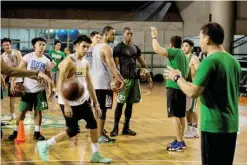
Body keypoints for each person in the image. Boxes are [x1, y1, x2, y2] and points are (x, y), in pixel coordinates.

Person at [164, 22, 241, 165]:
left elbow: (193, 92)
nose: (199, 41)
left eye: (200, 37)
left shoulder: (209, 62)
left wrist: (176, 77)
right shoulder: (233, 61)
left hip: (213, 125)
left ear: (207, 39)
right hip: (231, 125)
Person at [37, 35, 112, 163]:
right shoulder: (68, 62)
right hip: (68, 102)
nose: (86, 49)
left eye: (88, 47)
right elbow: (59, 83)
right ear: (76, 46)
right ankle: (45, 145)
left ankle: (95, 154)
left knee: (93, 125)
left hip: (82, 100)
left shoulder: (85, 63)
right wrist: (66, 104)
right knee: (73, 131)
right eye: (83, 46)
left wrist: (97, 103)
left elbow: (89, 84)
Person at [150, 27, 188, 151]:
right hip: (182, 87)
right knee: (181, 115)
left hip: (174, 88)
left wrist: (154, 36)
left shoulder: (174, 52)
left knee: (173, 115)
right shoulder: (183, 54)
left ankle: (180, 142)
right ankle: (180, 139)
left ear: (171, 44)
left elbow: (156, 49)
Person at [110, 27, 153, 137]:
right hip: (124, 79)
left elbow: (142, 63)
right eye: (128, 33)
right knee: (120, 104)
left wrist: (149, 78)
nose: (130, 35)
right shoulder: (118, 48)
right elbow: (115, 65)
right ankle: (115, 128)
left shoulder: (135, 48)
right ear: (123, 34)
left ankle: (126, 127)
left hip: (134, 79)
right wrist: (116, 79)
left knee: (130, 105)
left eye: (131, 34)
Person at [8, 37, 53, 141]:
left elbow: (48, 76)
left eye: (43, 45)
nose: (42, 46)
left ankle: (37, 133)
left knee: (39, 112)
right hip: (28, 89)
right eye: (40, 44)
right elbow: (18, 70)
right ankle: (16, 131)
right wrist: (13, 82)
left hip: (40, 90)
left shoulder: (46, 61)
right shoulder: (28, 56)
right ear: (34, 46)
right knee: (22, 112)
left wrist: (51, 89)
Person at [91, 26, 125, 143]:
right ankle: (100, 135)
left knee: (98, 108)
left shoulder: (95, 47)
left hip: (96, 82)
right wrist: (121, 80)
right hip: (103, 83)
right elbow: (112, 66)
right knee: (103, 110)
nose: (114, 37)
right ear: (105, 34)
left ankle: (97, 132)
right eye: (112, 34)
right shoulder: (106, 48)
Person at [181, 39, 200, 138]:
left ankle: (196, 130)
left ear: (191, 48)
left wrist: (196, 84)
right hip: (185, 87)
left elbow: (200, 72)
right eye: (183, 46)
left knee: (192, 109)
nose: (184, 48)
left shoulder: (194, 58)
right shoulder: (182, 57)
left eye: (186, 46)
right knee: (187, 109)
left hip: (192, 86)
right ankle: (189, 129)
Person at [1, 38, 23, 123]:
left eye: (8, 45)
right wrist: (2, 81)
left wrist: (14, 80)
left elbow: (21, 67)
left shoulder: (17, 53)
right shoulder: (2, 56)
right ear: (2, 46)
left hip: (20, 78)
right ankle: (13, 116)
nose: (6, 46)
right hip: (11, 80)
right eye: (4, 45)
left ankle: (24, 115)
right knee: (11, 99)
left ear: (11, 45)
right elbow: (4, 71)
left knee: (24, 99)